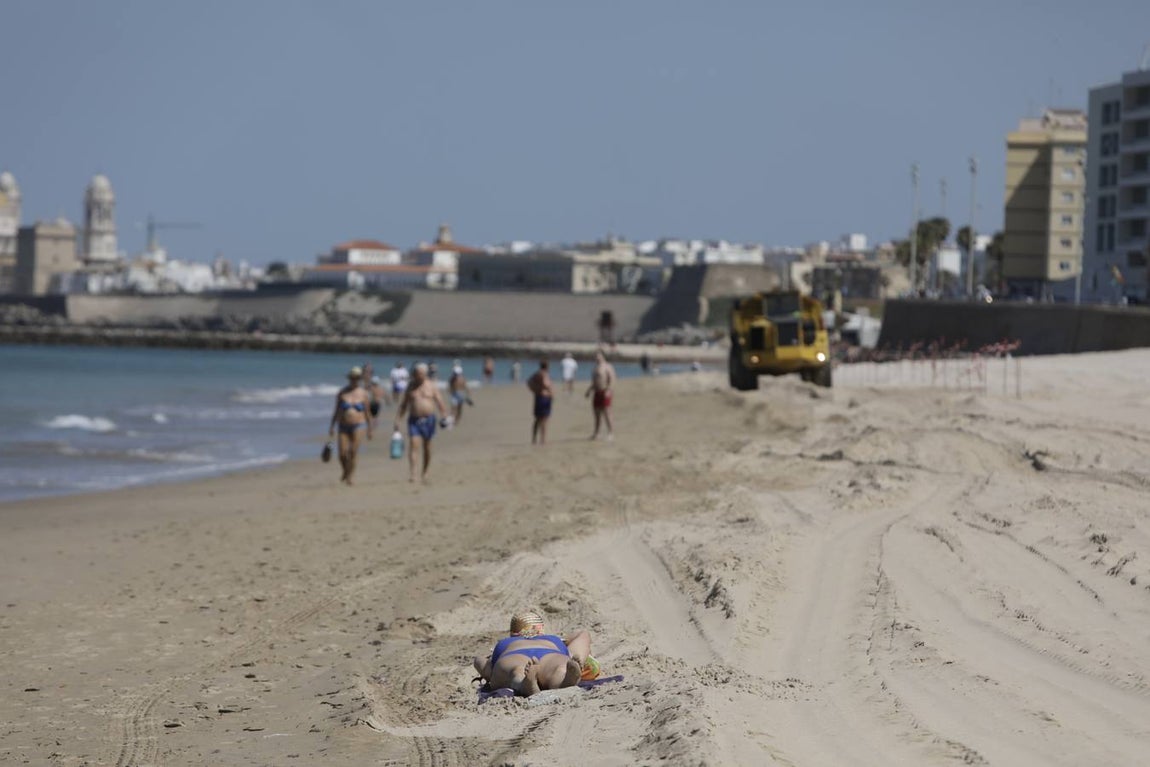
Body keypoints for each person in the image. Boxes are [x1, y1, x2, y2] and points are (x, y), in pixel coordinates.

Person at [473, 610, 592, 697]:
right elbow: (583, 634)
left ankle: (522, 683)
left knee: (516, 671)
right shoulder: (552, 639)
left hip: (513, 654)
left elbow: (482, 665)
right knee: (559, 669)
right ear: (541, 630)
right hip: (550, 653)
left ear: (512, 632)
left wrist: (484, 662)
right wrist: (564, 641)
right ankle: (564, 680)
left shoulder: (506, 643)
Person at [394, 362, 449, 483]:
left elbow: (439, 401)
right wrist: (398, 419)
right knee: (413, 445)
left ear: (425, 374)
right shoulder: (410, 387)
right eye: (416, 374)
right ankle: (413, 473)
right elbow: (404, 405)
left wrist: (444, 414)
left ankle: (425, 472)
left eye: (421, 374)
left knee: (427, 447)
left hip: (429, 420)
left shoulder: (431, 386)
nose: (418, 376)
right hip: (414, 420)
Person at [328, 366, 373, 485]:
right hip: (343, 425)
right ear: (349, 379)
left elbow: (368, 412)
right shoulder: (342, 393)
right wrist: (332, 426)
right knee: (342, 454)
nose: (354, 381)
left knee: (353, 451)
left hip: (359, 425)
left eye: (357, 379)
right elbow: (336, 411)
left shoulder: (363, 394)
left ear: (359, 380)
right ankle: (345, 470)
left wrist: (370, 429)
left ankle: (350, 477)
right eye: (352, 378)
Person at [585, 350, 616, 441]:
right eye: (596, 356)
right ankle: (596, 433)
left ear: (603, 356)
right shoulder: (595, 368)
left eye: (599, 356)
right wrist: (589, 390)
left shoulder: (607, 366)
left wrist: (609, 390)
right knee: (596, 414)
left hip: (605, 391)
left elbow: (612, 379)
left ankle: (611, 433)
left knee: (607, 413)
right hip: (597, 392)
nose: (597, 358)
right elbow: (594, 382)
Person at [526, 359, 553, 445]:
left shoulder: (537, 373)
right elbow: (546, 384)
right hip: (544, 397)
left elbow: (528, 382)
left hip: (538, 396)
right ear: (547, 366)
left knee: (537, 419)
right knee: (544, 419)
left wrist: (534, 390)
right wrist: (551, 392)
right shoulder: (544, 374)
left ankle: (534, 439)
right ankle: (543, 439)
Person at [448, 360, 471, 425]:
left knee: (459, 408)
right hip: (454, 394)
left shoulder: (462, 378)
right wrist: (450, 391)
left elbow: (466, 386)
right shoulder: (452, 378)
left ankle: (457, 420)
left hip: (461, 394)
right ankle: (452, 420)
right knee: (453, 408)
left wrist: (468, 395)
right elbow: (450, 385)